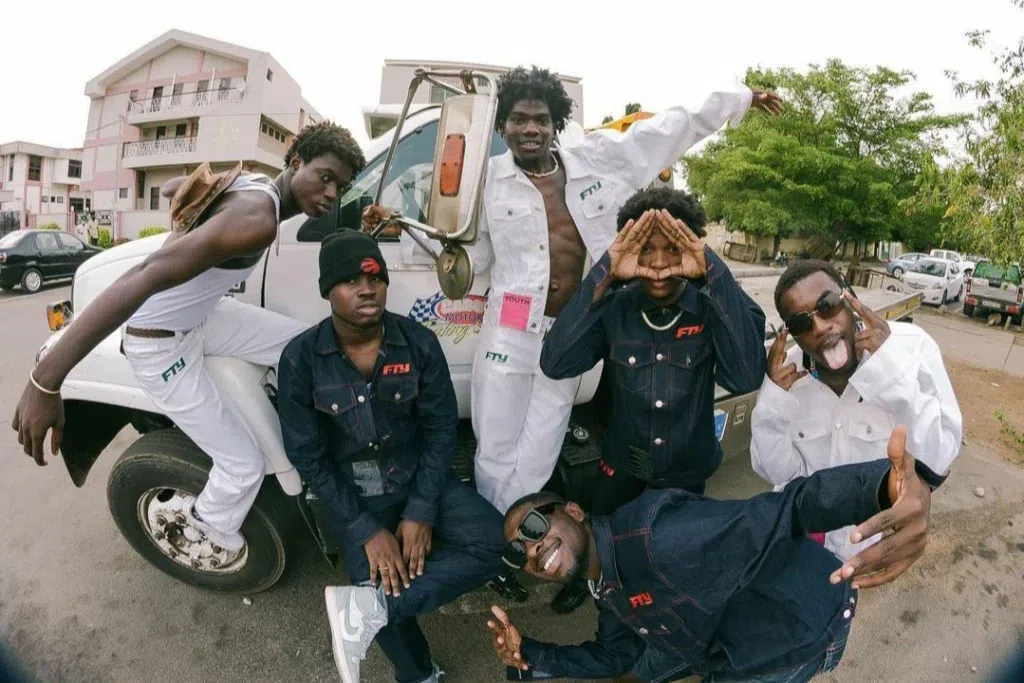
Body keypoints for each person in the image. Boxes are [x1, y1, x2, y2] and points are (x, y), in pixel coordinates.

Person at [465, 65, 781, 611]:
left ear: (556, 124)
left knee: (539, 453)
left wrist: (739, 99)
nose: (530, 129)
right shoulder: (485, 181)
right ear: (502, 125)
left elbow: (671, 128)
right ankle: (501, 556)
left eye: (541, 119)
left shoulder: (596, 159)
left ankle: (538, 541)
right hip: (508, 333)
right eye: (518, 119)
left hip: (573, 333)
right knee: (494, 450)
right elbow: (467, 253)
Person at [11, 121, 365, 558]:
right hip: (158, 345)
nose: (331, 194)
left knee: (304, 345)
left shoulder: (254, 183)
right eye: (324, 177)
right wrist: (45, 380)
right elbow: (145, 274)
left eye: (340, 187)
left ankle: (324, 441)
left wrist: (194, 204)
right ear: (296, 162)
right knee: (243, 466)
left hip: (203, 317)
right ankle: (205, 525)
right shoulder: (258, 219)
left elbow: (173, 188)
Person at [487, 426, 930, 683]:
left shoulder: (660, 539)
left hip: (798, 626)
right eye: (519, 552)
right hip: (703, 625)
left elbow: (783, 510)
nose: (532, 550)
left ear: (573, 511)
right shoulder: (602, 580)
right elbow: (615, 655)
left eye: (534, 527)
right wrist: (532, 654)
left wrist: (884, 488)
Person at [277, 231, 505, 683]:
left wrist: (421, 510)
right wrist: (364, 528)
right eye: (351, 281)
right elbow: (308, 456)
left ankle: (372, 606)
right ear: (327, 290)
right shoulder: (301, 359)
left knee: (498, 544)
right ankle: (418, 674)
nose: (367, 289)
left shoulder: (418, 343)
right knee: (376, 576)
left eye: (375, 278)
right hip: (356, 494)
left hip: (420, 477)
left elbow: (441, 429)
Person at [750, 259, 962, 567]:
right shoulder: (786, 379)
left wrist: (889, 370)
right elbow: (779, 474)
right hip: (803, 546)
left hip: (865, 547)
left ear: (849, 297)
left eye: (827, 305)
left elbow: (937, 459)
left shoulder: (910, 348)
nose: (820, 327)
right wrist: (772, 405)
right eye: (800, 323)